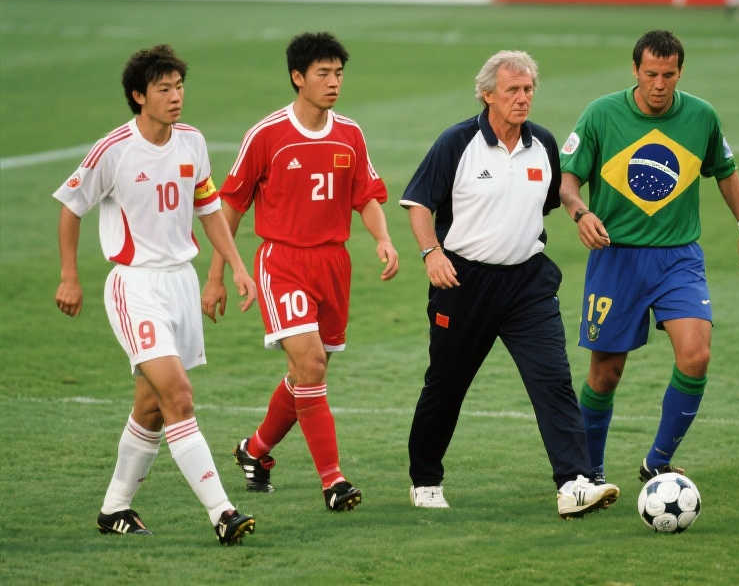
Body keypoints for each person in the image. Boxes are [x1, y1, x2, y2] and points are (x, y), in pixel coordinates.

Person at [53, 44, 258, 544]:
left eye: (179, 86)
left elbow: (209, 208)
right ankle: (223, 512)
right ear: (138, 96)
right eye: (164, 89)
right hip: (136, 285)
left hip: (180, 284)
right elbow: (71, 207)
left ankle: (114, 509)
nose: (175, 96)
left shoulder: (192, 142)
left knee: (150, 404)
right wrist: (69, 276)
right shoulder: (114, 150)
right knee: (178, 396)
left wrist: (234, 268)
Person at [402, 50, 620, 518]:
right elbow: (419, 202)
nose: (523, 98)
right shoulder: (457, 142)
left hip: (527, 284)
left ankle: (574, 482)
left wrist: (579, 212)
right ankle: (425, 478)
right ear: (487, 95)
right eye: (512, 91)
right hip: (463, 283)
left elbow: (550, 198)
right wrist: (431, 252)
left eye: (528, 90)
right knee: (446, 385)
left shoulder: (543, 143)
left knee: (553, 380)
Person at [202, 32, 399, 512]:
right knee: (310, 365)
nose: (334, 83)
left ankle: (254, 450)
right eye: (323, 74)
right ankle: (333, 481)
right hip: (283, 262)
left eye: (339, 73)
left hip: (334, 264)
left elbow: (366, 195)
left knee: (307, 372)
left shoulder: (350, 134)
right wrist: (217, 275)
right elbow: (230, 207)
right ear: (297, 77)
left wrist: (383, 238)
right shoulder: (267, 135)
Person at [559, 29, 739, 487]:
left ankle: (658, 461)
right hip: (616, 258)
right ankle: (589, 473)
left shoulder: (701, 117)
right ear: (635, 70)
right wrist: (580, 212)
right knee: (605, 374)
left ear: (680, 72)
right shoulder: (601, 114)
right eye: (651, 74)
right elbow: (567, 180)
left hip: (678, 258)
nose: (659, 84)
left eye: (668, 75)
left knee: (696, 355)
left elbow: (726, 171)